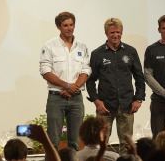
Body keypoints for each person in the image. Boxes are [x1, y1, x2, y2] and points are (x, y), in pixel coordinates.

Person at [86, 17, 146, 154]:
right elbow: (90, 80)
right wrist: (96, 101)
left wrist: (139, 98)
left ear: (121, 33)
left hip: (127, 106)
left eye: (118, 32)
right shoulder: (97, 54)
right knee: (100, 145)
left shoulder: (130, 51)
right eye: (112, 32)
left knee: (127, 145)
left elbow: (139, 77)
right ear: (106, 33)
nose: (115, 35)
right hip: (104, 107)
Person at [39, 11, 91, 151]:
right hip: (56, 98)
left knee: (75, 142)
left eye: (72, 25)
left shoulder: (82, 46)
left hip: (76, 98)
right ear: (59, 27)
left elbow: (86, 70)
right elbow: (45, 71)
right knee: (53, 142)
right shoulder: (49, 46)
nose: (69, 28)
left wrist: (74, 87)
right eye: (65, 25)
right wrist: (67, 85)